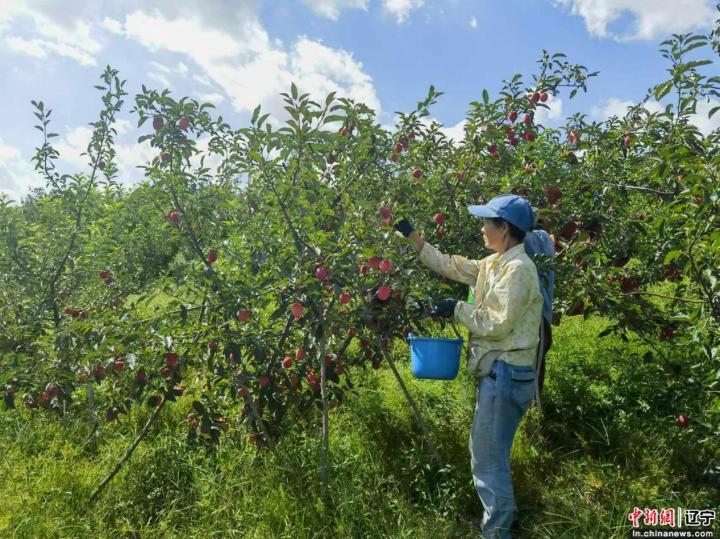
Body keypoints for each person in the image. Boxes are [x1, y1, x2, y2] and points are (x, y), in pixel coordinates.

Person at [395, 194, 543, 538]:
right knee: (493, 454)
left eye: (487, 222)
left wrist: (456, 308)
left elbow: (497, 323)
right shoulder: (495, 264)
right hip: (500, 371)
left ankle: (497, 531)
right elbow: (450, 265)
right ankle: (502, 521)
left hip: (505, 372)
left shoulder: (519, 270)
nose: (481, 228)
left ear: (503, 228)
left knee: (487, 460)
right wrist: (411, 235)